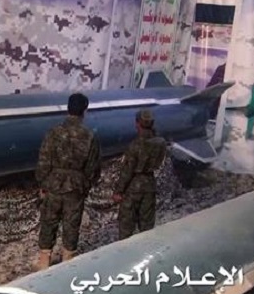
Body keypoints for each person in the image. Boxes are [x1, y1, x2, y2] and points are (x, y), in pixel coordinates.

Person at [34, 93, 101, 271]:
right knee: (72, 224)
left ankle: (44, 261)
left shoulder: (54, 133)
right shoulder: (89, 136)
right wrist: (85, 185)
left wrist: (43, 184)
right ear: (84, 111)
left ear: (67, 109)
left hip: (53, 185)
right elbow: (93, 167)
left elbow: (43, 161)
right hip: (75, 187)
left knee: (49, 222)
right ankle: (67, 261)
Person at [112, 109, 168, 240]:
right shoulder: (161, 142)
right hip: (150, 185)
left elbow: (127, 170)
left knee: (126, 227)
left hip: (133, 187)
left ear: (137, 123)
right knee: (147, 226)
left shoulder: (135, 145)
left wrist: (118, 191)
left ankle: (125, 250)